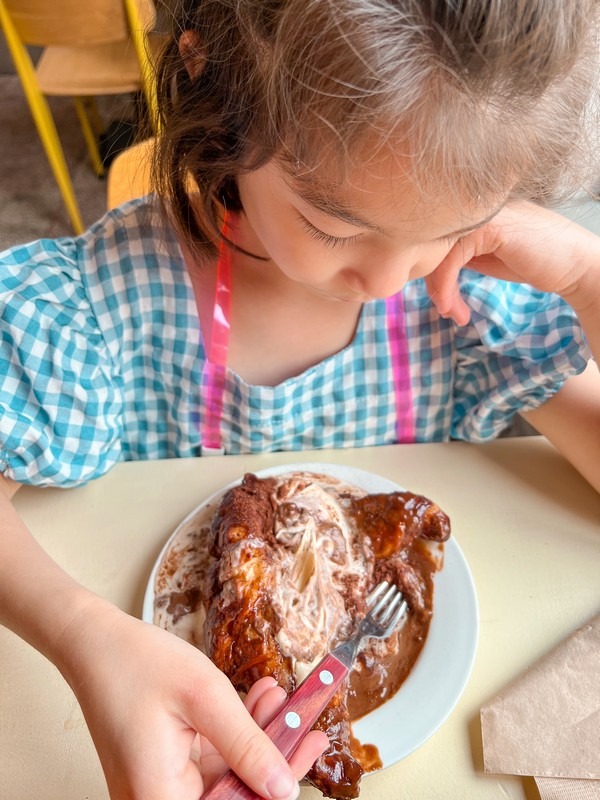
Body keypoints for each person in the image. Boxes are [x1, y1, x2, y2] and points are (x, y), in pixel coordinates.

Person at [1, 1, 600, 798]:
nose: (392, 280)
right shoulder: (110, 308)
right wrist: (81, 634)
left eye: (452, 224)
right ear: (214, 80)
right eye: (333, 226)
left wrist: (589, 282)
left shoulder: (470, 303)